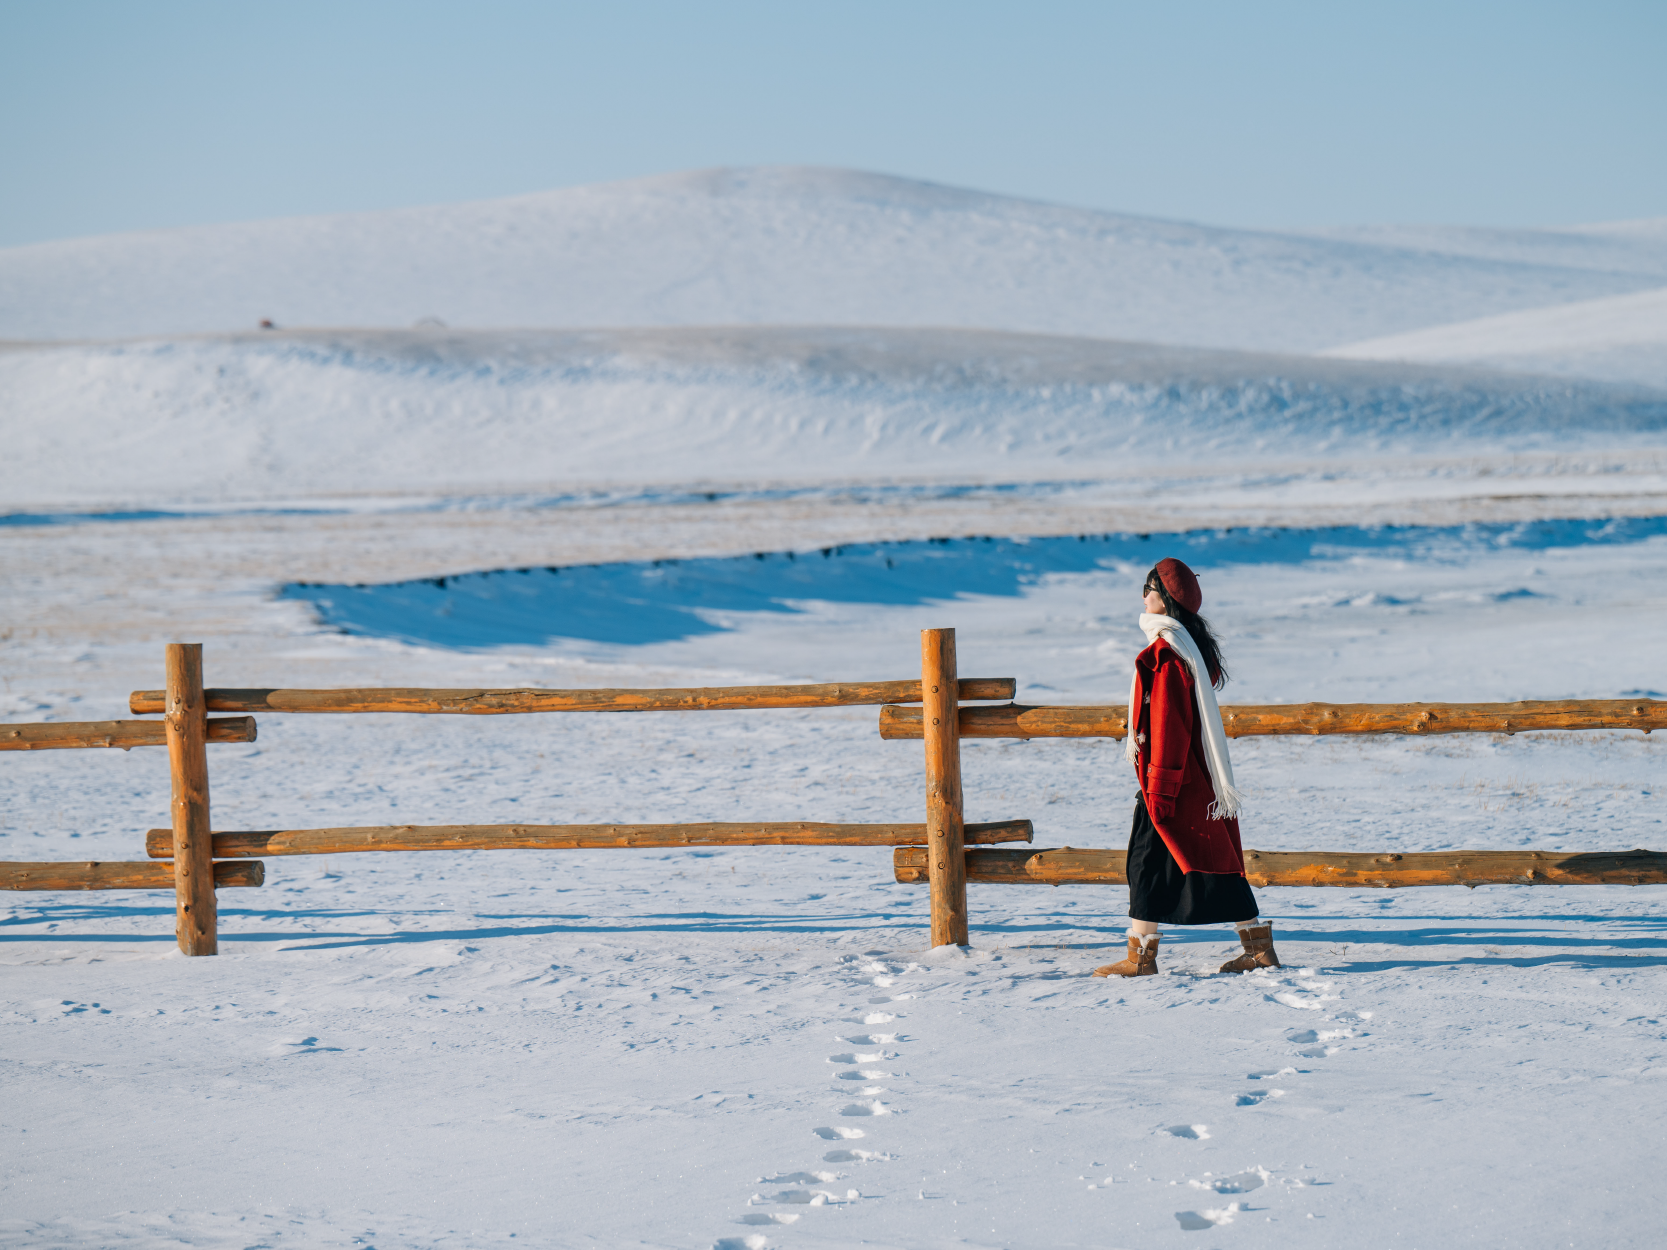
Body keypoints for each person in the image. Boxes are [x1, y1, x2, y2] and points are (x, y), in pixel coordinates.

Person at [1093, 557, 1281, 977]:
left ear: (1168, 600)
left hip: (1174, 780)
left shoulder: (1166, 654)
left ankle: (1140, 960)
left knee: (1150, 865)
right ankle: (1257, 949)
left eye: (1150, 587)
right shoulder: (1184, 648)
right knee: (1212, 864)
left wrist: (1159, 790)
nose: (1143, 596)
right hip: (1192, 780)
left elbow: (1168, 726)